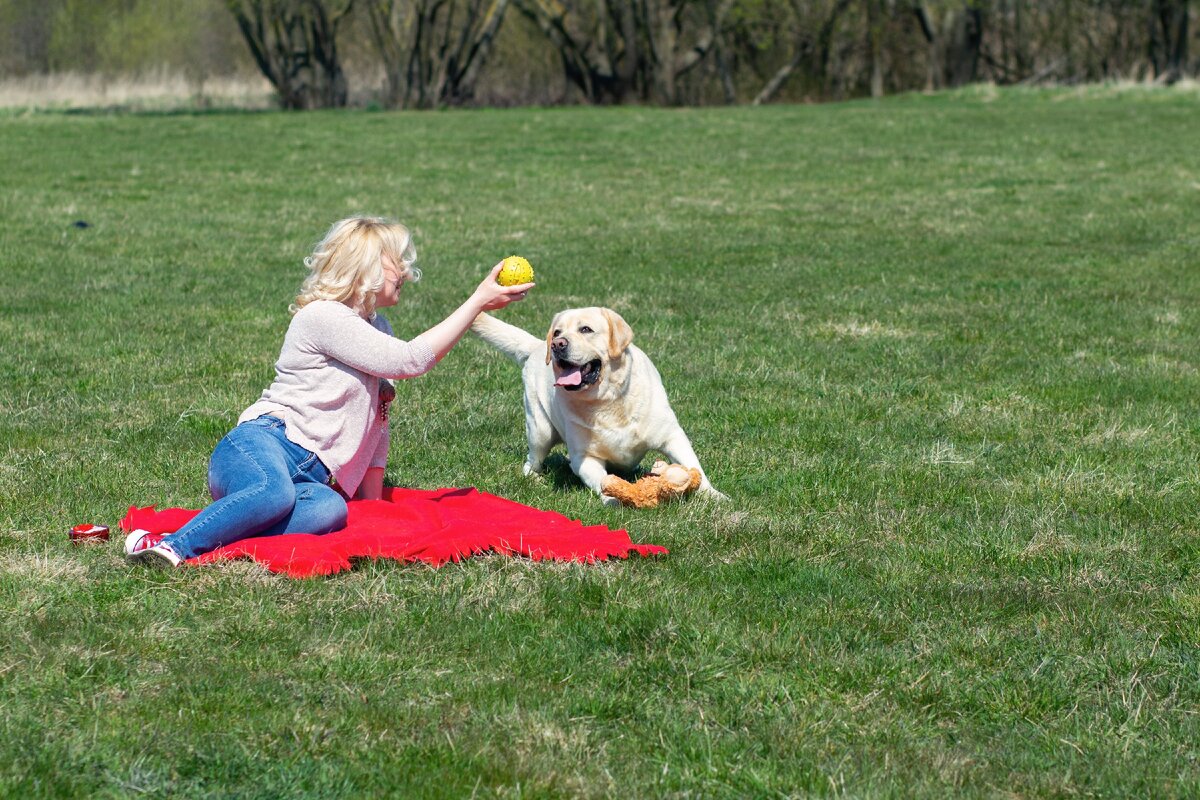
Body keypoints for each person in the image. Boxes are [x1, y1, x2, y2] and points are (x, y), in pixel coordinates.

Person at [125, 216, 533, 567]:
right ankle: (169, 547)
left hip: (314, 479)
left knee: (330, 511)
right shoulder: (323, 317)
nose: (407, 273)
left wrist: (373, 508)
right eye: (398, 263)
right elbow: (411, 361)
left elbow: (379, 422)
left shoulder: (378, 329)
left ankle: (222, 535)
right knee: (272, 490)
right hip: (263, 443)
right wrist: (477, 300)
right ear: (367, 269)